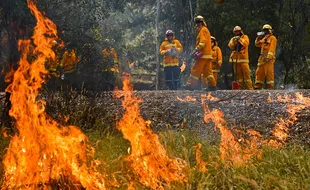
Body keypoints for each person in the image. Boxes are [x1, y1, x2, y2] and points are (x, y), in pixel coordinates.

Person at [185, 15, 216, 91]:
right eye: (196, 22)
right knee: (207, 72)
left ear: (202, 22)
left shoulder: (203, 30)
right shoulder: (205, 29)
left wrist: (196, 49)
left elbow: (202, 42)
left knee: (195, 69)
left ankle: (190, 85)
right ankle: (212, 85)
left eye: (199, 22)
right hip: (207, 55)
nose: (197, 24)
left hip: (203, 55)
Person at [254, 24, 277, 89]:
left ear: (269, 30)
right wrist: (259, 37)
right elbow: (257, 44)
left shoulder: (273, 38)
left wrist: (269, 57)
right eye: (264, 30)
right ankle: (257, 88)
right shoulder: (264, 38)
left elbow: (272, 48)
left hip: (268, 60)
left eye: (266, 30)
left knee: (269, 74)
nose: (265, 31)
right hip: (262, 59)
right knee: (259, 73)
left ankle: (270, 89)